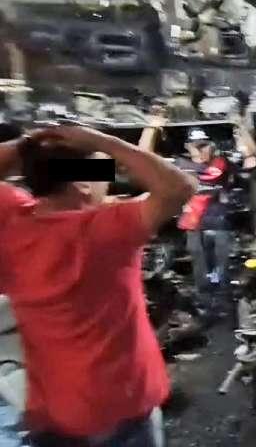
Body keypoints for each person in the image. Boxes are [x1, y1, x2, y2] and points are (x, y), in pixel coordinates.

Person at [0, 124, 196, 446]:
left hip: (54, 412)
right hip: (122, 409)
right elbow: (180, 187)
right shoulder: (105, 229)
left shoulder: (10, 223)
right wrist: (102, 141)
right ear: (81, 183)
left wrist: (29, 143)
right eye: (101, 171)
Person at [176, 122, 256, 312]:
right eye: (195, 146)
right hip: (193, 225)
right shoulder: (179, 164)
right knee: (201, 271)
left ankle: (225, 307)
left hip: (220, 224)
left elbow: (252, 159)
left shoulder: (223, 161)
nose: (200, 150)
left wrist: (241, 127)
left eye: (204, 145)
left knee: (223, 270)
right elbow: (143, 158)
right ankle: (205, 308)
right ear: (187, 146)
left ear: (212, 145)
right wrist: (152, 128)